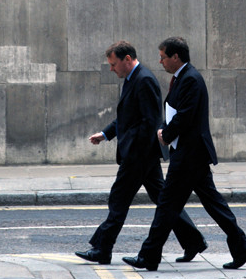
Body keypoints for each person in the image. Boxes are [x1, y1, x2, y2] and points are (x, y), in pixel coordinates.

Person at [123, 36, 246, 271]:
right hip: (188, 154)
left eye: (163, 57)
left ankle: (149, 256)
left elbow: (185, 115)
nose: (160, 61)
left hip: (189, 155)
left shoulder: (191, 79)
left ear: (176, 57)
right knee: (212, 204)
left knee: (166, 205)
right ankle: (242, 248)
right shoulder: (182, 78)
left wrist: (165, 133)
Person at [75, 40, 206, 264]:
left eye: (113, 64)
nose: (111, 69)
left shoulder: (143, 80)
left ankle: (102, 249)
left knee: (119, 199)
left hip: (139, 155)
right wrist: (105, 134)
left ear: (127, 59)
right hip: (143, 155)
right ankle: (193, 240)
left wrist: (136, 154)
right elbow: (127, 118)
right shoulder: (132, 79)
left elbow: (150, 122)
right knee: (165, 201)